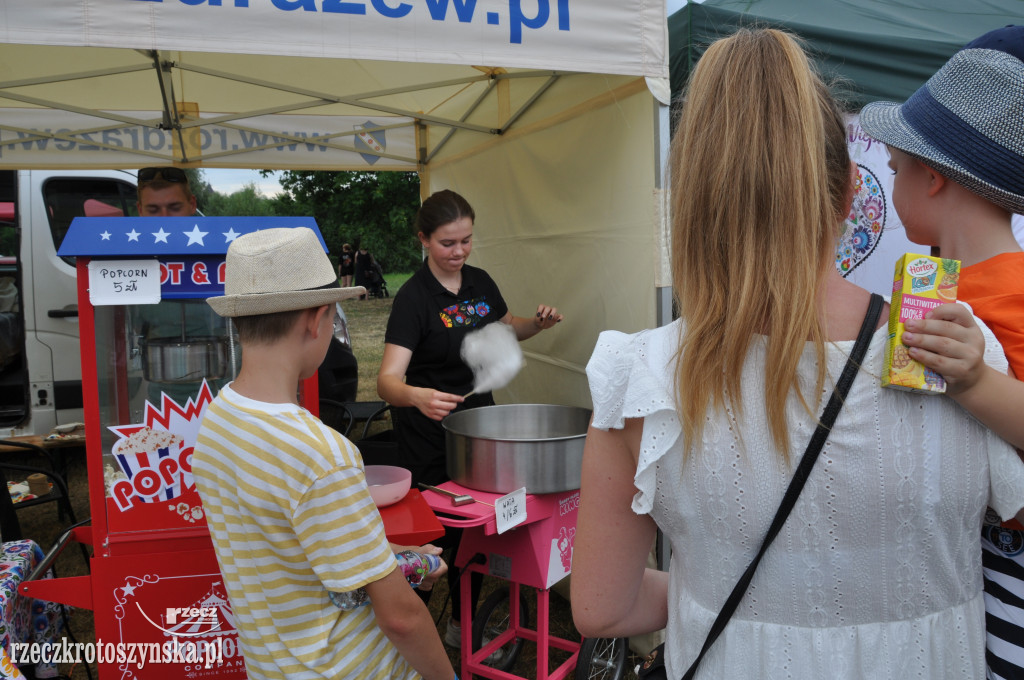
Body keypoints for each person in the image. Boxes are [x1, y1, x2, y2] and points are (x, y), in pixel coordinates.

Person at [571, 28, 1024, 680]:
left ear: (690, 207)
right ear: (846, 199)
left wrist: (738, 603)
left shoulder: (638, 381)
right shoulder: (959, 355)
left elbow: (602, 610)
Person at [193, 227, 455, 680]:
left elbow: (292, 544)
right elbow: (402, 618)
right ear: (316, 321)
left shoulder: (218, 418)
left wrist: (390, 554)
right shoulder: (321, 452)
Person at [860, 25, 1024, 679]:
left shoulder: (1013, 290)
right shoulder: (931, 283)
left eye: (895, 171)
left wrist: (976, 381)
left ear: (931, 179)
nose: (891, 189)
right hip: (963, 562)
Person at [377, 188, 563, 646]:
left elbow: (505, 327)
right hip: (429, 436)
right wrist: (417, 395)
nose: (459, 252)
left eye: (466, 241)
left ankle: (462, 625)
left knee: (477, 534)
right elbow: (386, 381)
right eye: (447, 243)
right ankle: (409, 634)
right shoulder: (414, 299)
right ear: (423, 239)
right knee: (436, 542)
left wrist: (536, 325)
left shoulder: (479, 281)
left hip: (480, 431)